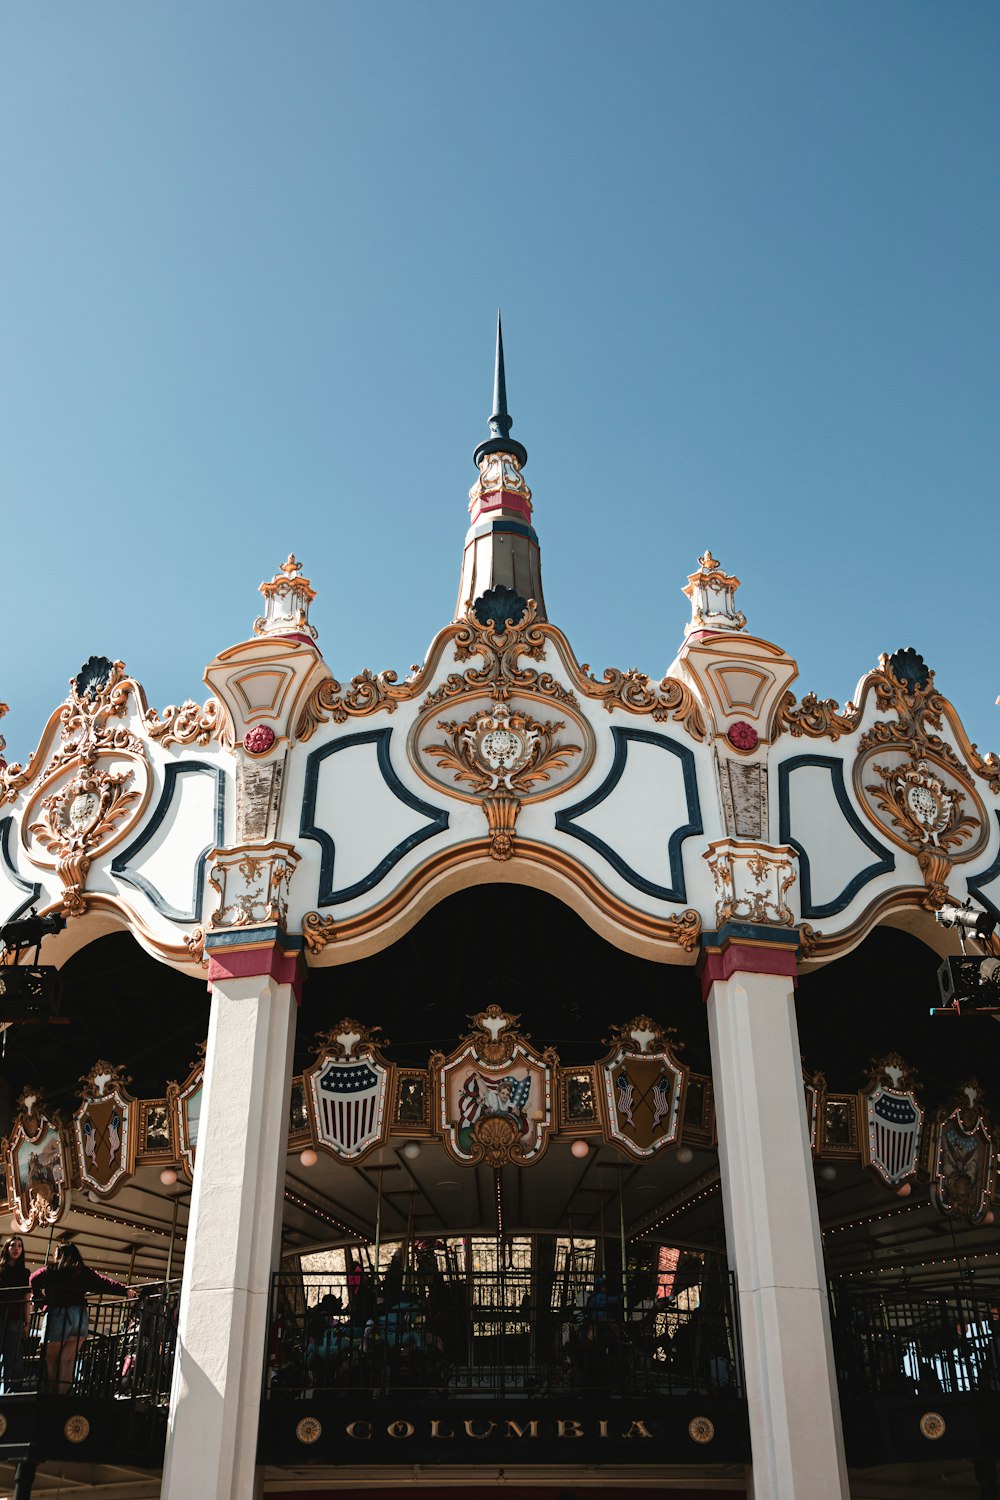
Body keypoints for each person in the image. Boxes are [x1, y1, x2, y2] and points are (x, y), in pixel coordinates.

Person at [29, 1242, 136, 1394]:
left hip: (59, 1314)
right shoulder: (83, 1271)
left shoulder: (53, 1270)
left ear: (59, 1255)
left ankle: (50, 1396)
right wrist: (125, 1291)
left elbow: (33, 1279)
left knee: (51, 1359)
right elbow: (104, 1283)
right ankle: (62, 1397)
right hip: (79, 1317)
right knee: (68, 1360)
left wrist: (42, 1302)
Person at [0, 1237, 30, 1392]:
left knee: (13, 1358)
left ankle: (11, 1391)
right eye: (13, 1245)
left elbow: (26, 1298)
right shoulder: (1, 1269)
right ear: (7, 1248)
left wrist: (27, 1322)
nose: (16, 1249)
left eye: (20, 1246)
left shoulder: (24, 1272)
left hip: (14, 1318)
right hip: (1, 1315)